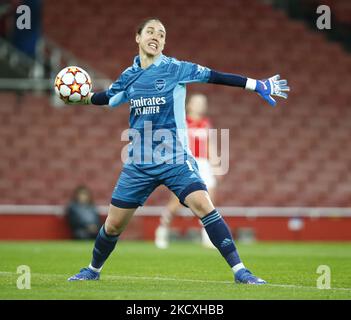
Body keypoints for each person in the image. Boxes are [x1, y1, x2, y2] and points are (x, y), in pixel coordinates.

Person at [67, 17, 289, 284]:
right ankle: (92, 270)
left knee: (204, 206)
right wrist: (82, 96)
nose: (156, 37)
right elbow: (108, 98)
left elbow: (216, 76)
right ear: (137, 37)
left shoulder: (177, 68)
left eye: (161, 34)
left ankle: (241, 271)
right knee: (113, 225)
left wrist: (256, 84)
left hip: (175, 158)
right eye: (150, 31)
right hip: (139, 161)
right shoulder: (129, 76)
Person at [155, 93, 217, 249]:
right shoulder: (182, 121)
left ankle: (208, 236)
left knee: (210, 200)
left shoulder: (205, 123)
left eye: (203, 102)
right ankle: (163, 228)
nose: (200, 105)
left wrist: (215, 163)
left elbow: (209, 144)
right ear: (189, 104)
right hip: (186, 162)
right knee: (176, 202)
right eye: (197, 102)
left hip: (203, 163)